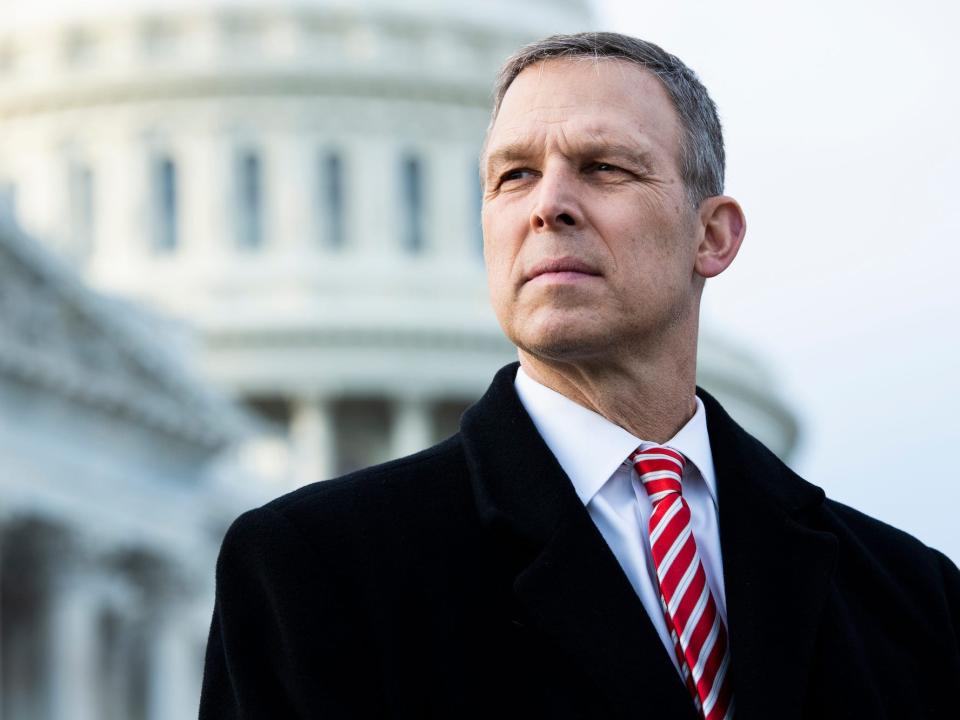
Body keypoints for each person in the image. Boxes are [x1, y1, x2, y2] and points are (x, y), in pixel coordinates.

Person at [199, 32, 960, 719]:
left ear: (713, 235)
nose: (549, 206)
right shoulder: (313, 569)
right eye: (515, 176)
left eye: (603, 168)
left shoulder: (911, 598)